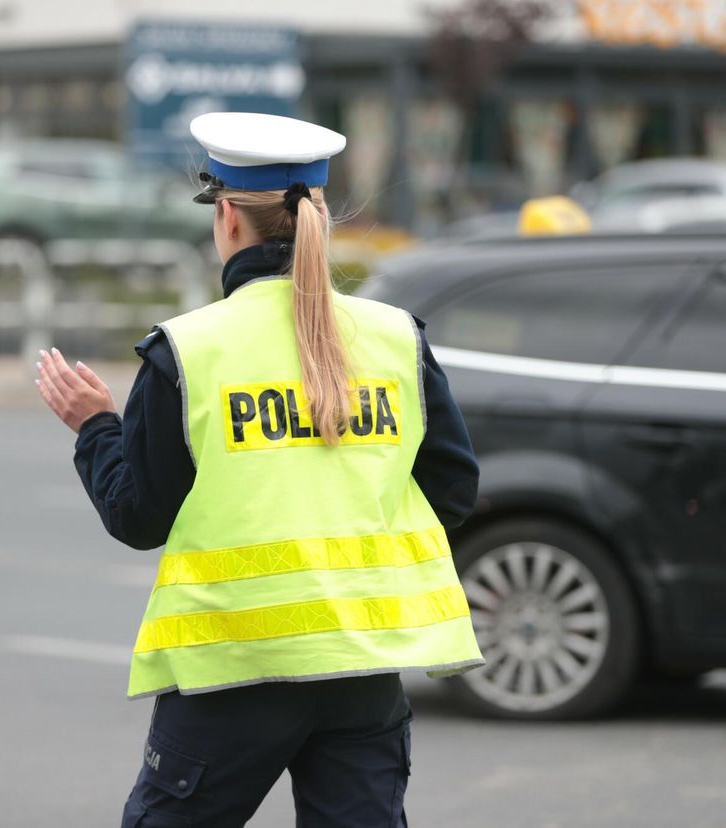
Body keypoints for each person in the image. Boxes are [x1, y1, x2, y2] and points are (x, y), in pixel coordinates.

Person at [35, 112, 484, 828]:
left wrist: (94, 428)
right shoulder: (397, 338)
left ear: (228, 219)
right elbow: (454, 493)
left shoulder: (187, 352)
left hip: (232, 669)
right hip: (361, 667)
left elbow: (137, 517)